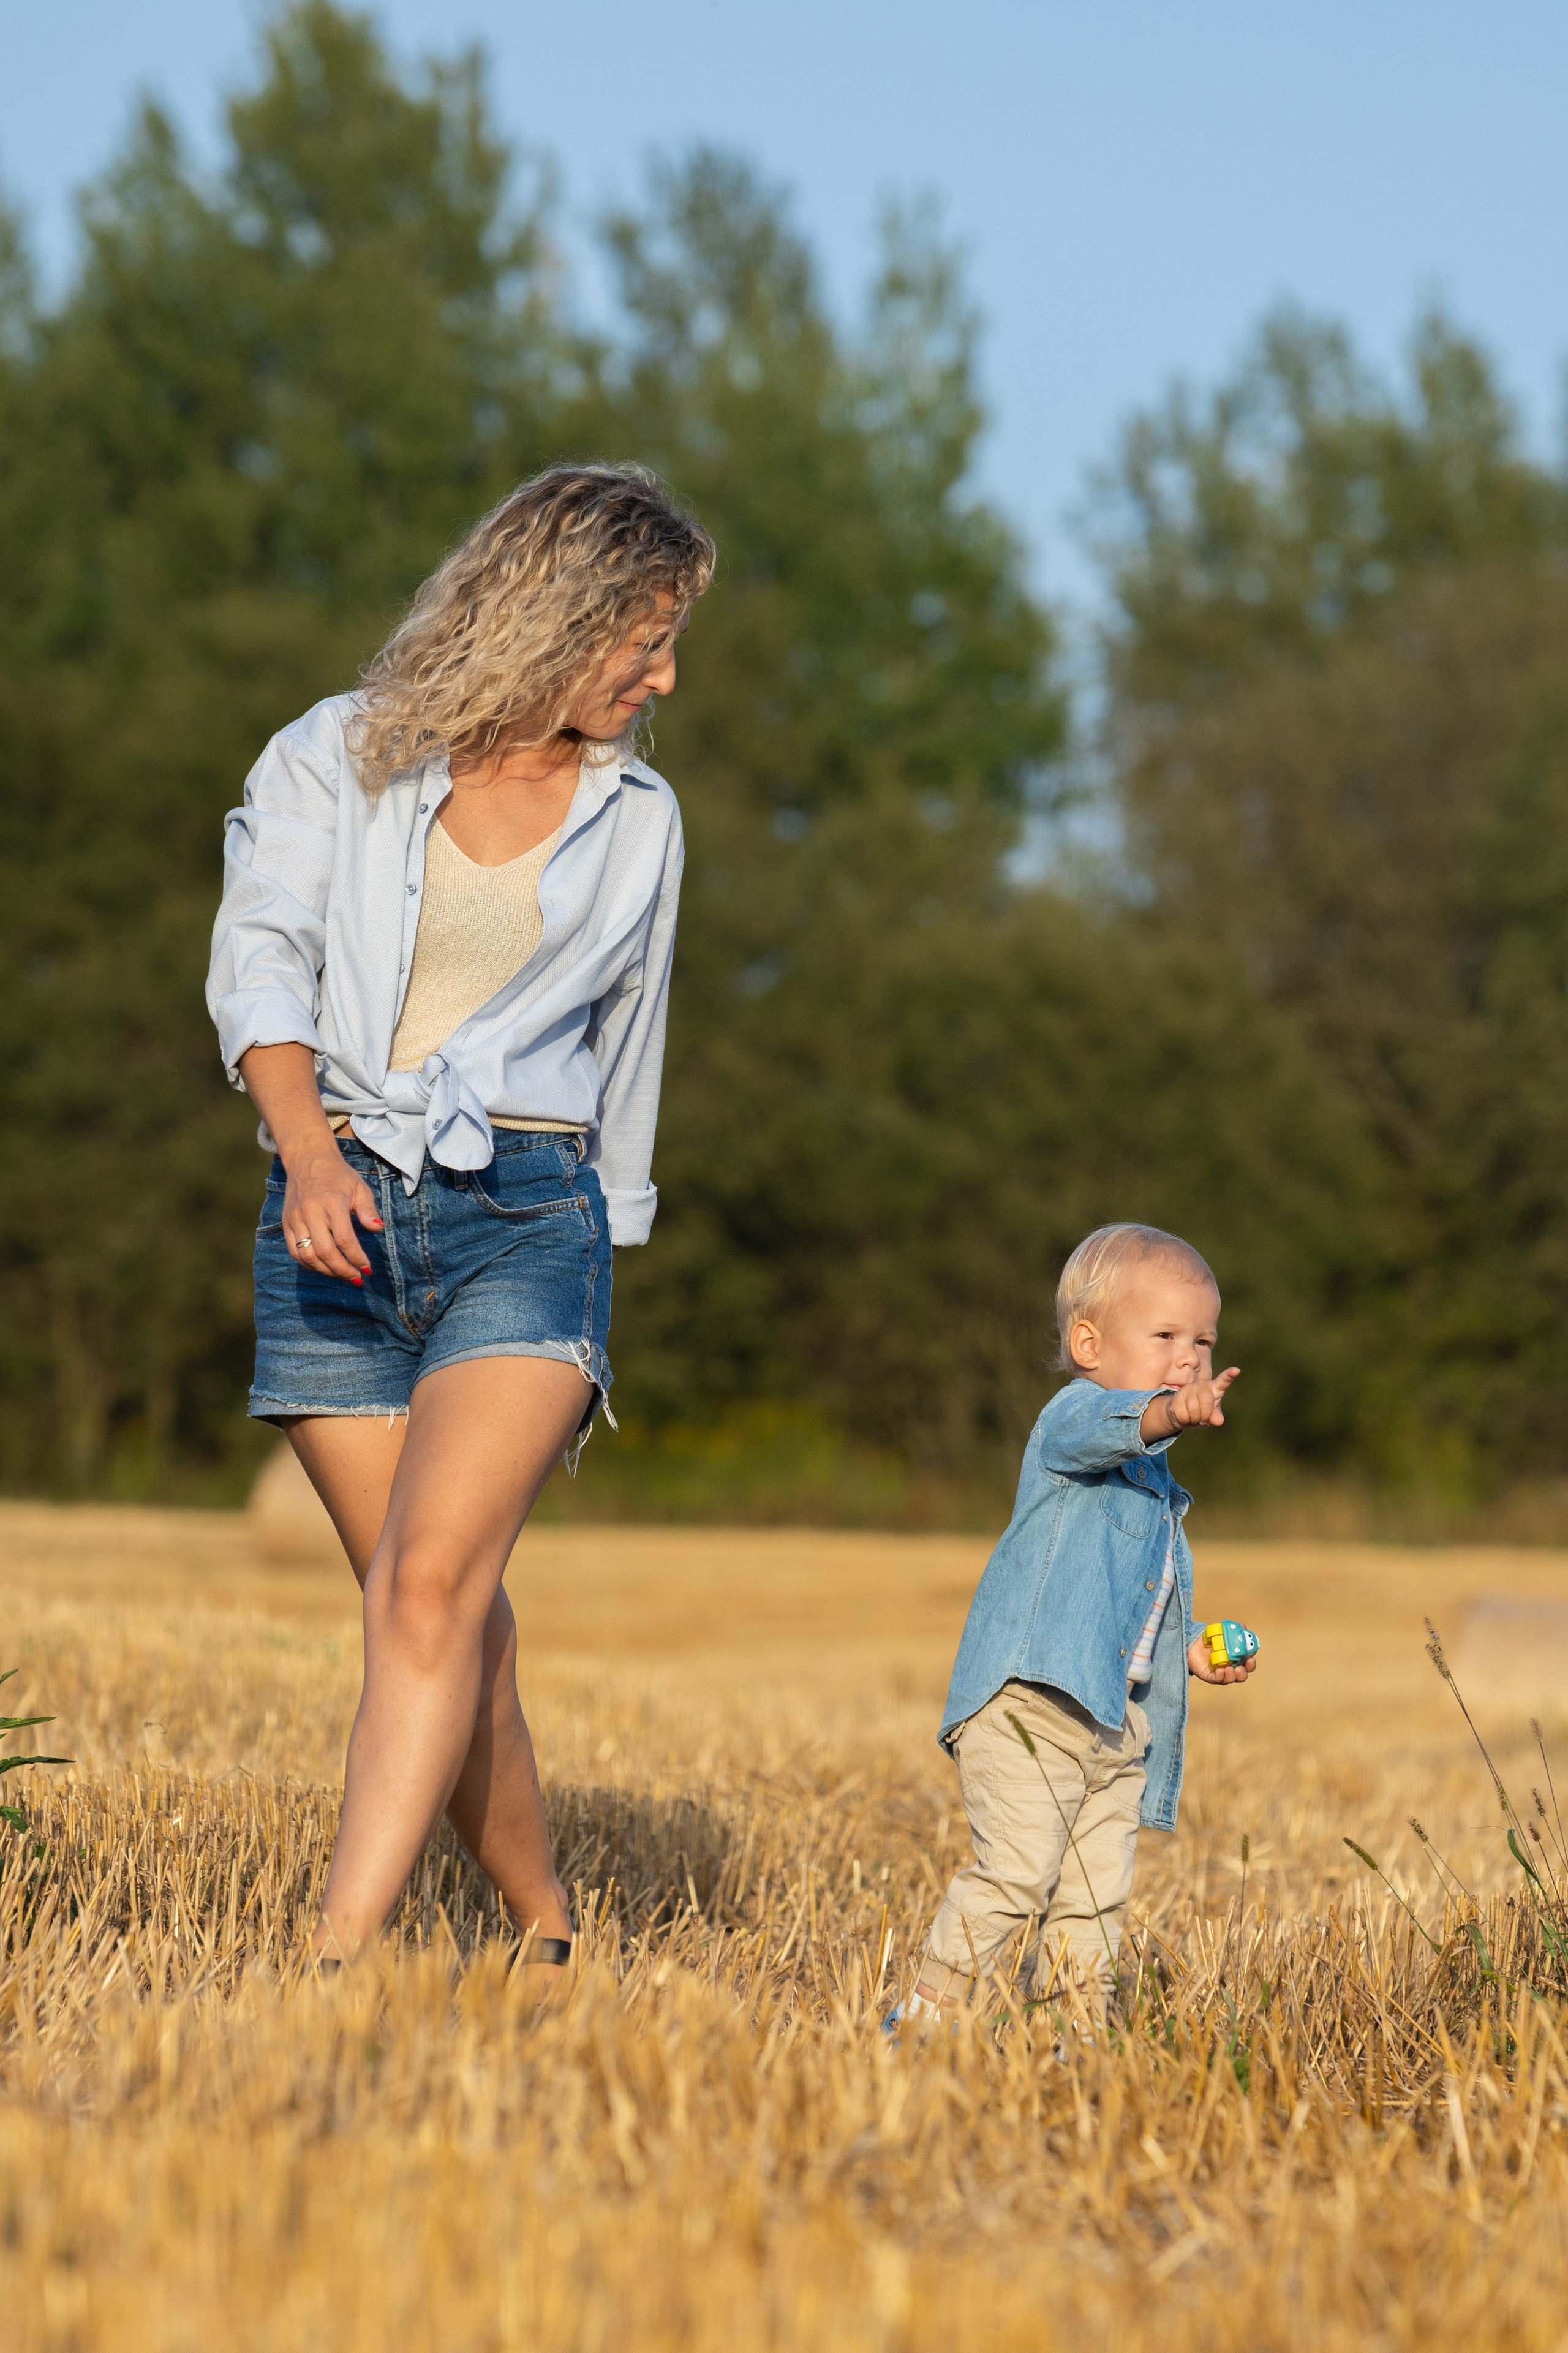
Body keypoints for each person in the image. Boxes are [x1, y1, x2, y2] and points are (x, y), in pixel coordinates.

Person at [206, 464, 715, 1969]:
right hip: (335, 1208)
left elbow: (635, 1049)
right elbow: (258, 970)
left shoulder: (640, 818)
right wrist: (305, 1157)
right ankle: (550, 1931)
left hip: (525, 1218)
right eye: (644, 637)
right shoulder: (334, 758)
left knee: (428, 1588)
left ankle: (332, 1958)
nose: (662, 675)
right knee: (446, 1621)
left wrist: (600, 1261)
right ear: (552, 614)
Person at [893, 1222, 1257, 2026]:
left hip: (1115, 1719)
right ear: (1088, 1342)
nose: (1190, 1355)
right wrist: (1167, 1409)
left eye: (1203, 1339)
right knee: (1019, 1873)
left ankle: (1072, 2035)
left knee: (1096, 1898)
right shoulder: (1072, 1419)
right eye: (1165, 1334)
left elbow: (1133, 1604)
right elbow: (1114, 1426)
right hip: (1034, 1701)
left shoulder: (1158, 1489)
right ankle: (924, 2015)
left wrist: (1187, 1652)